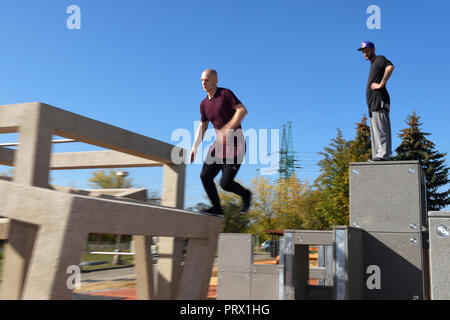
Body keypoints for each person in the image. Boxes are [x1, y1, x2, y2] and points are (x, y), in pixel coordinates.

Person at [190, 69, 252, 216]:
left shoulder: (225, 94)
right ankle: (217, 208)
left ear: (216, 80)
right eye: (202, 80)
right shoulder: (204, 104)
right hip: (219, 147)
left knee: (225, 184)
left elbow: (242, 110)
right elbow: (203, 126)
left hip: (236, 146)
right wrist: (194, 147)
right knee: (205, 176)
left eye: (207, 80)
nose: (203, 83)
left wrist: (228, 128)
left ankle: (246, 195)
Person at [358, 41, 395, 161]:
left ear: (373, 49)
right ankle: (379, 156)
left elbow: (390, 67)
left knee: (381, 129)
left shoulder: (379, 59)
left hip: (379, 101)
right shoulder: (373, 64)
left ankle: (383, 154)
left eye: (367, 50)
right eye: (363, 51)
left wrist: (381, 84)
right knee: (376, 132)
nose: (365, 53)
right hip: (373, 105)